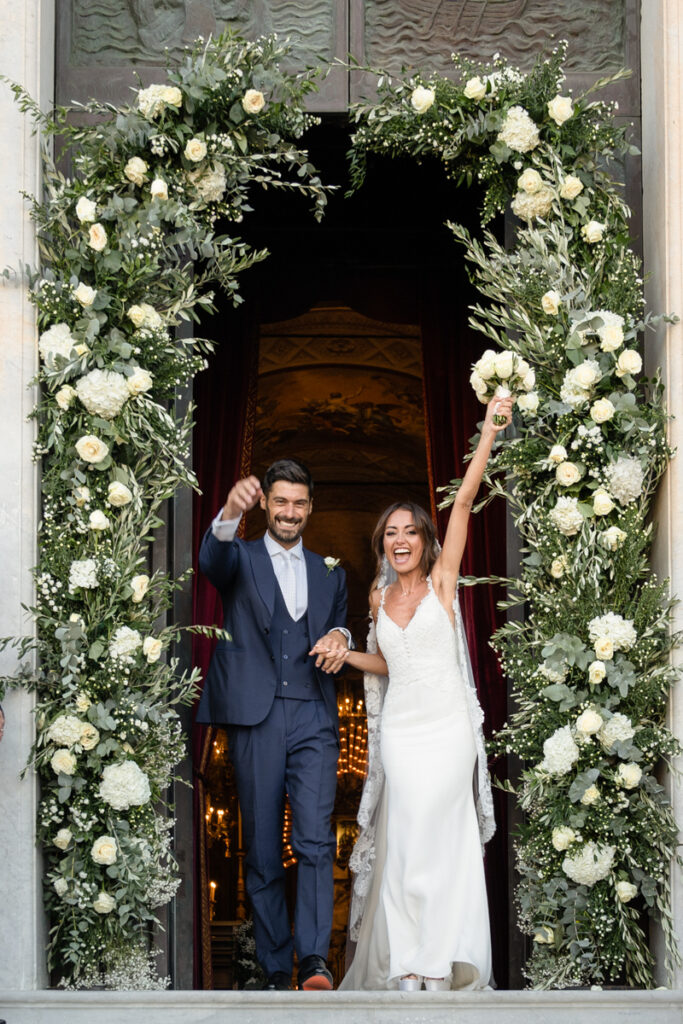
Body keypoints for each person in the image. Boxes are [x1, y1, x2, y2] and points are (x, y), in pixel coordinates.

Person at [330, 395, 513, 992]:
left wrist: (488, 430)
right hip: (403, 733)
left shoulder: (441, 582)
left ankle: (439, 962)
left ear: (425, 540)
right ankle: (408, 962)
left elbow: (463, 500)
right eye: (391, 533)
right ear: (382, 543)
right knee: (406, 839)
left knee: (443, 838)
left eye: (410, 531)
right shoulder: (379, 601)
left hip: (449, 728)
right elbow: (388, 663)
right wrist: (344, 655)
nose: (400, 539)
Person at [197, 458, 352, 991]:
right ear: (264, 502)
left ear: (311, 507)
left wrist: (342, 638)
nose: (290, 512)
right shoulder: (238, 556)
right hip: (256, 717)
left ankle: (313, 961)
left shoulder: (330, 570)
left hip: (313, 714)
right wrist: (227, 513)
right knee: (262, 848)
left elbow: (338, 624)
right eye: (280, 501)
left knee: (314, 842)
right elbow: (210, 561)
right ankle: (272, 965)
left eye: (299, 503)